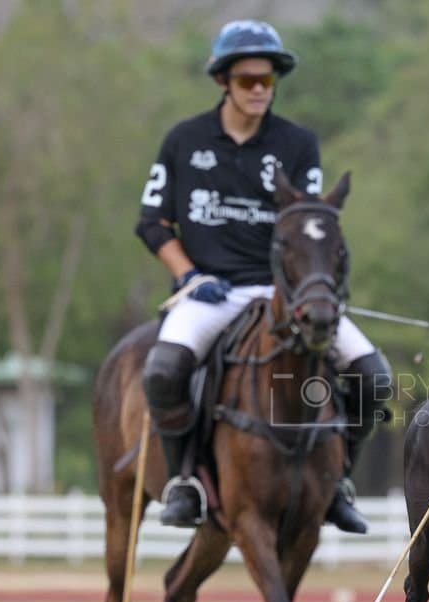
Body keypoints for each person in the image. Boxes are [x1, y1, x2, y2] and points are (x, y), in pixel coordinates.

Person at [134, 20, 390, 533]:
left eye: (267, 81)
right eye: (248, 80)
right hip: (207, 291)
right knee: (163, 370)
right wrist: (189, 276)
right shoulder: (184, 141)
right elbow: (152, 223)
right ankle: (185, 480)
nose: (258, 90)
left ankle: (337, 480)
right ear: (223, 81)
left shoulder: (297, 144)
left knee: (374, 376)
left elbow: (314, 224)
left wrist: (306, 289)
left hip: (282, 295)